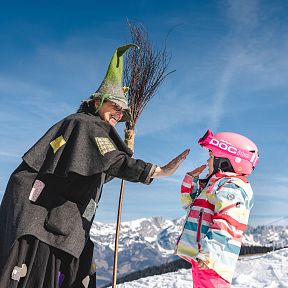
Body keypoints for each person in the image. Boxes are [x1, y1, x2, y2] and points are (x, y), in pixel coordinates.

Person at [0, 44, 189, 288]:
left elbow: (101, 168)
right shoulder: (85, 124)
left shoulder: (86, 131)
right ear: (98, 101)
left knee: (73, 264)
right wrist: (157, 171)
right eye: (115, 107)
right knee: (42, 272)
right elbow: (111, 160)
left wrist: (125, 152)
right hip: (40, 214)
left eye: (123, 112)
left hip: (48, 215)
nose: (119, 114)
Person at [175, 129, 259, 288]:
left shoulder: (232, 188)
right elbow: (189, 206)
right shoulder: (214, 186)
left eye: (211, 157)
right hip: (203, 258)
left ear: (226, 161)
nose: (207, 162)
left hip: (214, 262)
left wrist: (209, 255)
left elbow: (226, 223)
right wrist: (190, 180)